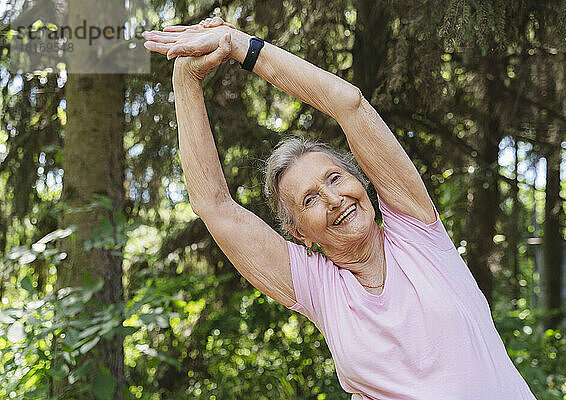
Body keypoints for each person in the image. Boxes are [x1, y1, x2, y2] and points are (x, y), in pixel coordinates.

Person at [142, 17, 537, 400]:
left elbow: (349, 104)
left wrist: (239, 45)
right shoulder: (319, 287)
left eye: (334, 179)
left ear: (360, 181)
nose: (334, 200)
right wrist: (186, 79)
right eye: (310, 200)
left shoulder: (416, 231)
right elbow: (214, 206)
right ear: (299, 232)